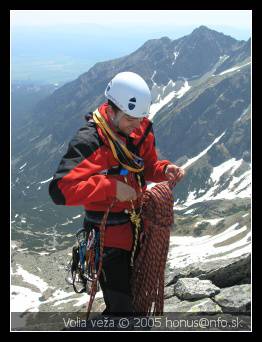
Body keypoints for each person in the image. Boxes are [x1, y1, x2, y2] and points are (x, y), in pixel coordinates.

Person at [49, 71, 185, 316]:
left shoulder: (139, 128)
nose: (135, 125)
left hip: (136, 226)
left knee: (135, 293)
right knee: (122, 305)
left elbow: (145, 166)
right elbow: (61, 190)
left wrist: (164, 170)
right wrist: (110, 187)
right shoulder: (90, 141)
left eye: (140, 118)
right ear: (112, 110)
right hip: (106, 235)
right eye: (130, 119)